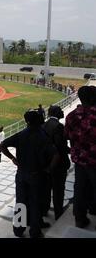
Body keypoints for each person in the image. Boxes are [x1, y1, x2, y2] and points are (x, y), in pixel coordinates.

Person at [0, 110, 57, 238]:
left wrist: (13, 159)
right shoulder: (43, 136)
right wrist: (48, 169)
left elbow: (2, 145)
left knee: (20, 202)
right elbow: (56, 155)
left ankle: (18, 230)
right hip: (36, 175)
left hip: (21, 174)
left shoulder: (21, 134)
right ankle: (35, 231)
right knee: (35, 202)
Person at [64, 86, 96, 229]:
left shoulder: (71, 116)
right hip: (94, 161)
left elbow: (66, 136)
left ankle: (79, 218)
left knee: (79, 188)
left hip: (79, 160)